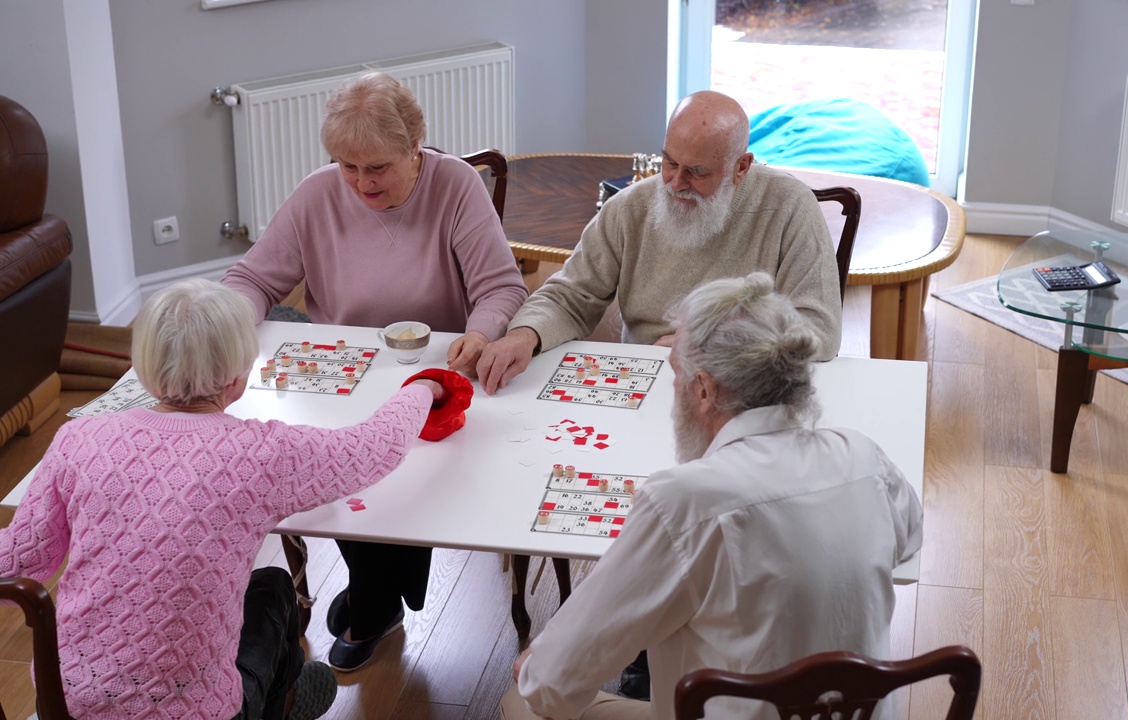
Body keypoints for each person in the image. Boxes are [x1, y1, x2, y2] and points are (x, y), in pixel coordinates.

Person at [0, 279, 444, 720]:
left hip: (67, 697)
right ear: (238, 377)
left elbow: (17, 561)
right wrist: (423, 388)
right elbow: (372, 448)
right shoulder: (258, 454)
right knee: (273, 590)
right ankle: (280, 704)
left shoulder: (77, 439)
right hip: (194, 711)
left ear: (145, 366)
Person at [500, 273, 923, 720]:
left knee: (521, 703)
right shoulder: (862, 457)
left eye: (677, 374)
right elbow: (908, 539)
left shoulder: (683, 502)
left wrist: (537, 663)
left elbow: (551, 685)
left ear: (704, 390)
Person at [222, 71, 528, 671]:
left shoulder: (456, 186)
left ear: (418, 146)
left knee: (403, 480)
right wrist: (224, 324)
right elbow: (253, 279)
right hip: (343, 379)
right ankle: (377, 597)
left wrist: (479, 332)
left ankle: (374, 600)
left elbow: (500, 288)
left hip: (436, 375)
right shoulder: (317, 194)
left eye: (378, 168)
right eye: (346, 166)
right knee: (338, 471)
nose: (361, 184)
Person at [476, 90, 843, 397]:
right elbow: (569, 296)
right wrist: (526, 335)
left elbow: (819, 331)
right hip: (646, 381)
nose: (675, 183)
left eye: (697, 172)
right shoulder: (629, 208)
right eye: (669, 162)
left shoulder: (790, 205)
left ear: (741, 167)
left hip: (746, 387)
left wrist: (707, 344)